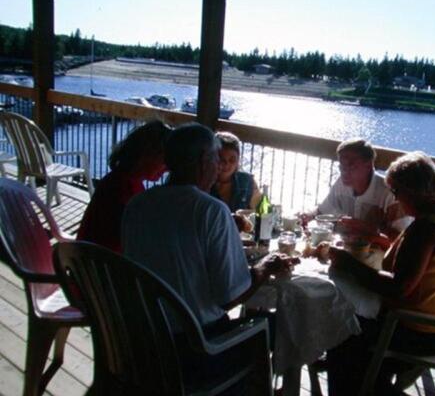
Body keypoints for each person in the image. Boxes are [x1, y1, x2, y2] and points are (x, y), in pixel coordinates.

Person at [121, 123, 294, 392]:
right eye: (216, 158)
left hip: (143, 340)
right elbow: (231, 296)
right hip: (195, 350)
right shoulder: (210, 211)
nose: (219, 167)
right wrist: (264, 266)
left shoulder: (137, 204)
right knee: (279, 327)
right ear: (204, 160)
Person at [326, 151, 435, 396]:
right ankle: (367, 380)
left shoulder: (425, 229)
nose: (395, 198)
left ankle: (360, 383)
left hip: (422, 331)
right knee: (348, 326)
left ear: (412, 190)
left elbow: (398, 287)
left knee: (340, 332)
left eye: (396, 192)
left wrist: (347, 262)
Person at [76, 120, 171, 253]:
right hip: (104, 267)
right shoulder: (125, 192)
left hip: (86, 262)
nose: (167, 168)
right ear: (147, 156)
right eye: (165, 160)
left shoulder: (117, 180)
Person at [304, 138, 409, 246]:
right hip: (347, 250)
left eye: (350, 165)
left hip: (378, 257)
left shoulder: (389, 193)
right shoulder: (341, 184)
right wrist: (307, 215)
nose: (344, 171)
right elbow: (322, 211)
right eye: (341, 165)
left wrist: (369, 230)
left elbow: (403, 241)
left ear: (368, 165)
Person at [210, 131, 261, 212]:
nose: (227, 164)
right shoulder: (204, 182)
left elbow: (261, 211)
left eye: (232, 160)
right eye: (221, 160)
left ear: (238, 160)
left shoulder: (247, 182)